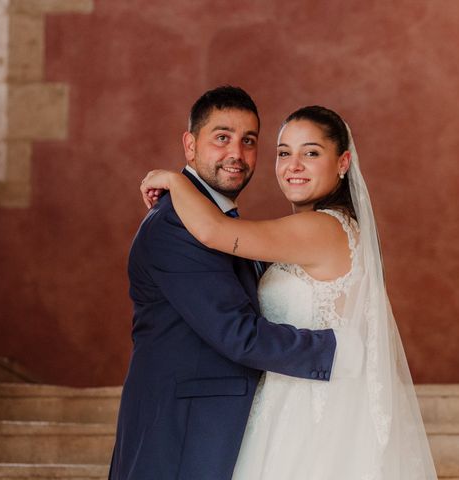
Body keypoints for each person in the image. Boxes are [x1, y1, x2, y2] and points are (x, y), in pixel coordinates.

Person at [140, 105, 437, 479]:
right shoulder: (312, 232)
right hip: (286, 398)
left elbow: (214, 232)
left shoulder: (321, 229)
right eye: (284, 153)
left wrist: (175, 180)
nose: (293, 165)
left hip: (315, 413)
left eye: (310, 153)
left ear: (343, 162)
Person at [109, 87, 360, 480]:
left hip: (232, 425)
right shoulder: (177, 224)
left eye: (249, 142)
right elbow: (237, 334)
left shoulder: (224, 223)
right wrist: (340, 351)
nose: (236, 154)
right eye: (222, 138)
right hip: (181, 430)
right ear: (190, 146)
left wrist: (176, 182)